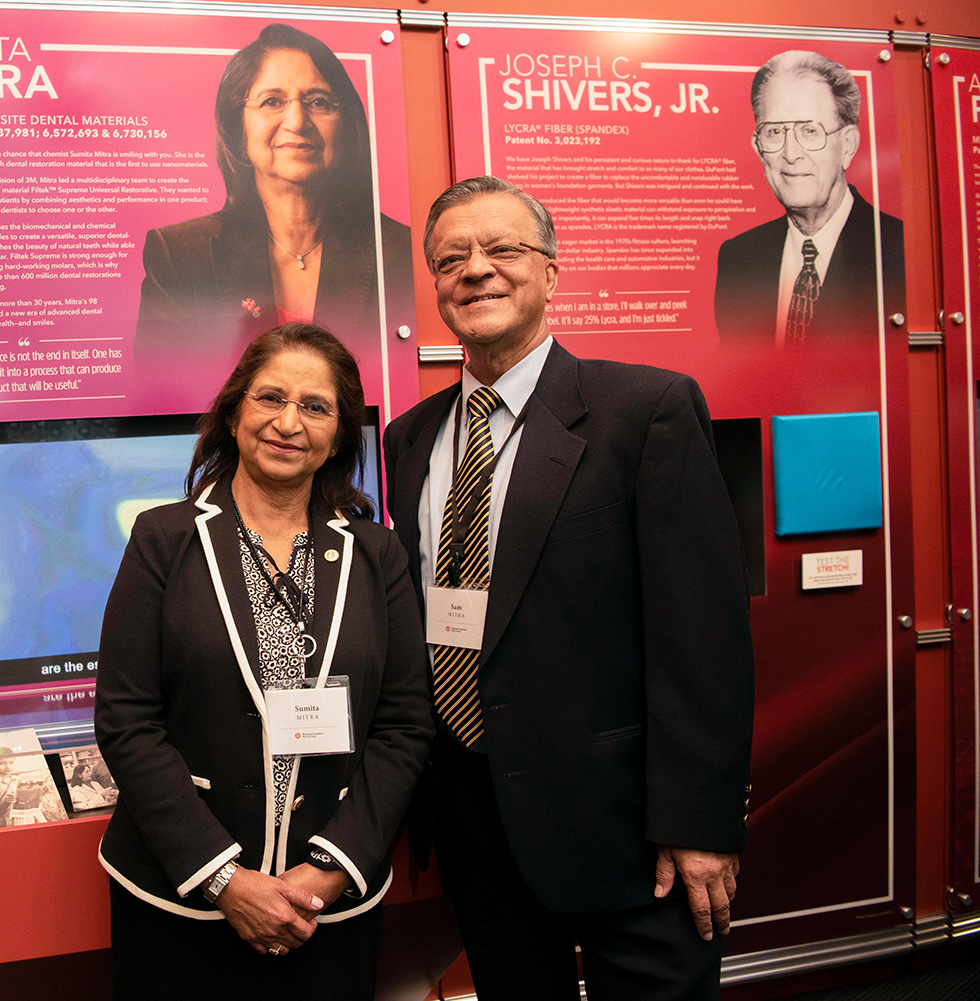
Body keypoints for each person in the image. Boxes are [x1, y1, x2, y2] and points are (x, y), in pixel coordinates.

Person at [385, 176, 754, 999]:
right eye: (452, 258)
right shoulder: (409, 440)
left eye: (502, 249)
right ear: (437, 287)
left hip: (628, 829)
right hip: (477, 819)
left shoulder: (645, 410)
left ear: (551, 272)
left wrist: (699, 823)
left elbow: (704, 638)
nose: (476, 269)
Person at [96, 322, 432, 999]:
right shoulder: (164, 538)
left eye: (315, 406)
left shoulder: (377, 555)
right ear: (234, 412)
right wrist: (225, 878)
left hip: (325, 909)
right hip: (182, 903)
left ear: (339, 434)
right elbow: (128, 719)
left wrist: (330, 869)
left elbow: (404, 726)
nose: (288, 421)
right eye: (269, 397)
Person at [133, 24, 412, 385]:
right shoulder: (180, 255)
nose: (297, 122)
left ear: (347, 125)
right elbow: (159, 389)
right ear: (239, 127)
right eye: (272, 101)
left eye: (319, 102)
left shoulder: (398, 250)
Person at [714, 50, 903, 349]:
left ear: (848, 145)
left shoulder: (900, 250)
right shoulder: (739, 258)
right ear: (758, 146)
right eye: (775, 132)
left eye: (809, 131)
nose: (791, 154)